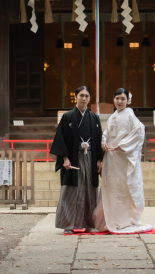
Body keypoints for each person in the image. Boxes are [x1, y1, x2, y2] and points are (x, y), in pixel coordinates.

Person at [93, 88, 153, 234]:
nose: (119, 101)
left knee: (123, 189)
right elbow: (106, 133)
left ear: (128, 100)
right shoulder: (113, 116)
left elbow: (139, 131)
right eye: (117, 98)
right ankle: (108, 220)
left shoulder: (130, 115)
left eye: (123, 99)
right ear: (113, 99)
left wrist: (123, 145)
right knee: (111, 189)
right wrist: (103, 143)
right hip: (111, 158)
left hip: (123, 158)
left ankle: (124, 221)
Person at [49, 86, 104, 234]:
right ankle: (68, 224)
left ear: (90, 98)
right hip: (73, 158)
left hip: (90, 158)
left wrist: (99, 160)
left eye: (87, 96)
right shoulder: (67, 117)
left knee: (90, 191)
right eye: (81, 95)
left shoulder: (94, 118)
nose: (84, 98)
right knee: (71, 191)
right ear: (75, 97)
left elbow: (98, 140)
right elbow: (61, 139)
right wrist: (65, 158)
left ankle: (90, 224)